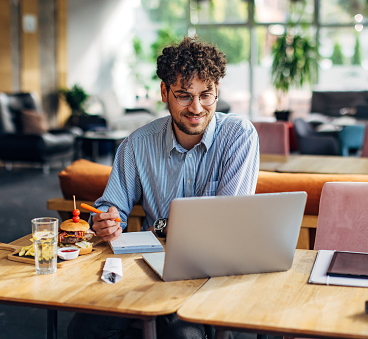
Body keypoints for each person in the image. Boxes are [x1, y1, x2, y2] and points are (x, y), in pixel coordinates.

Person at [67, 36, 260, 339]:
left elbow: (224, 225)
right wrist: (104, 221)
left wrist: (161, 225)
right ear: (163, 92)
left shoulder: (239, 136)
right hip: (153, 269)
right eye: (184, 95)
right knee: (84, 327)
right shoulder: (137, 145)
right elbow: (108, 207)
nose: (196, 108)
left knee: (181, 335)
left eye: (206, 95)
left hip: (214, 272)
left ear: (216, 92)